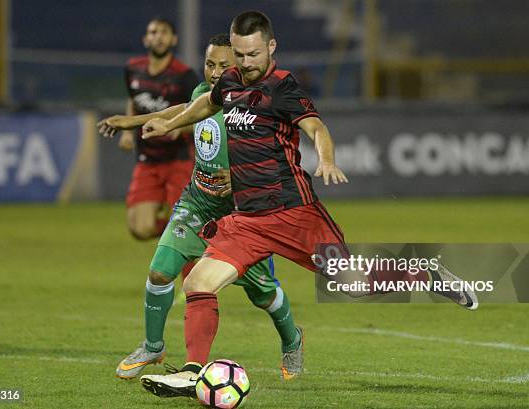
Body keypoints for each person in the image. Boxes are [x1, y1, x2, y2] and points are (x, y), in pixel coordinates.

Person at [137, 11, 477, 398]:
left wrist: (326, 158)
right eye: (240, 54)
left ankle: (427, 274)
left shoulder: (284, 88)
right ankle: (193, 370)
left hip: (293, 214)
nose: (245, 63)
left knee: (355, 285)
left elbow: (316, 127)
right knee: (199, 282)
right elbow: (207, 105)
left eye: (252, 54)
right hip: (247, 219)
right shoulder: (230, 81)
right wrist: (169, 123)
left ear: (270, 47)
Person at [98, 34, 304, 385]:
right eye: (210, 63)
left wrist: (240, 176)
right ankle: (153, 346)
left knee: (263, 293)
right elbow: (182, 111)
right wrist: (130, 121)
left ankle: (292, 338)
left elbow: (282, 164)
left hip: (242, 216)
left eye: (225, 65)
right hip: (197, 202)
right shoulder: (202, 95)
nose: (215, 71)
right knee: (161, 272)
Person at [120, 16, 198, 240]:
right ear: (146, 39)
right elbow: (133, 100)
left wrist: (179, 127)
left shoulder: (184, 76)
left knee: (182, 225)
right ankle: (190, 234)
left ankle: (187, 238)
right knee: (139, 229)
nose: (159, 37)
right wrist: (127, 131)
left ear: (173, 39)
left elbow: (204, 114)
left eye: (164, 32)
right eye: (154, 32)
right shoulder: (133, 69)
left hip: (179, 159)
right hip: (148, 159)